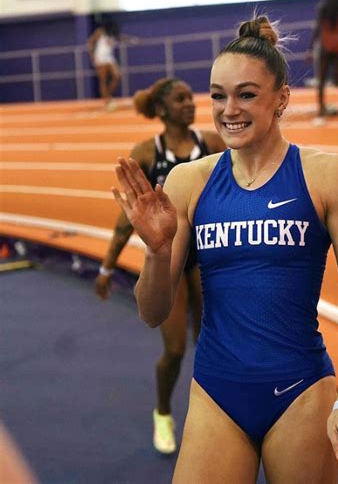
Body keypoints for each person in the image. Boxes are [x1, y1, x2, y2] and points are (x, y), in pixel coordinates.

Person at [112, 15, 338, 482]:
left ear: (281, 98)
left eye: (246, 94)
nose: (228, 109)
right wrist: (158, 254)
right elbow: (152, 313)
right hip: (216, 393)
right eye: (218, 95)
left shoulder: (328, 175)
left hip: (301, 392)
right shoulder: (188, 181)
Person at [95, 77, 226, 454]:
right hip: (170, 259)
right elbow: (125, 221)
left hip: (206, 257)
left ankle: (213, 419)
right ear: (164, 109)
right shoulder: (148, 153)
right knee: (175, 350)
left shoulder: (211, 145)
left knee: (211, 346)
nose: (190, 103)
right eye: (181, 99)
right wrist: (106, 268)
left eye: (191, 97)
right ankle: (164, 412)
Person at [87, 21, 136, 110]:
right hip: (100, 58)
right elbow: (90, 42)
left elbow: (121, 38)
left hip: (109, 58)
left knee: (117, 76)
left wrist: (131, 40)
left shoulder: (113, 35)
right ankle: (107, 101)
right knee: (103, 80)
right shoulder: (100, 32)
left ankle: (108, 95)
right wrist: (92, 56)